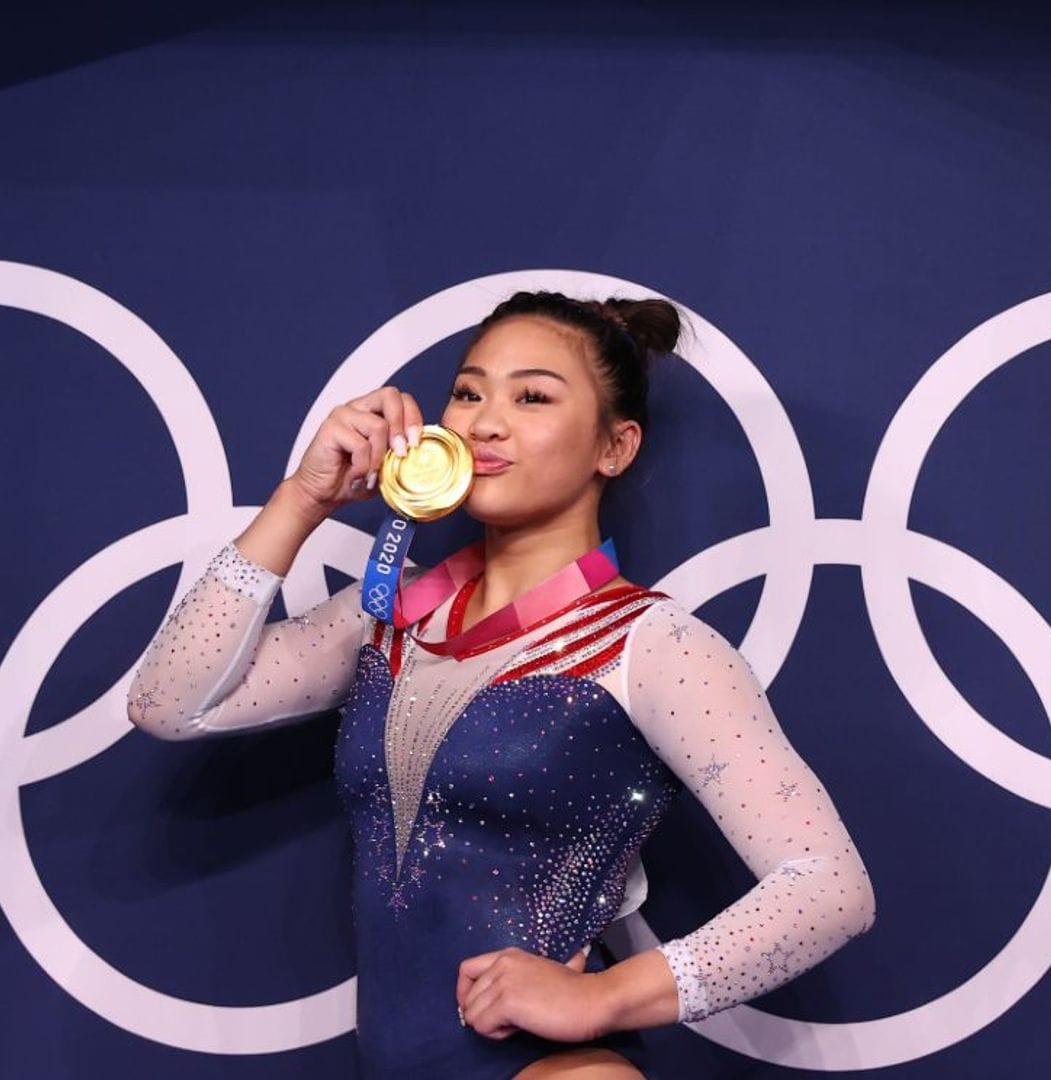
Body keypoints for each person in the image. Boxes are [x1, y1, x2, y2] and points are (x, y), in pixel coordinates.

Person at [127, 290, 876, 1079]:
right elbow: (167, 703)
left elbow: (830, 888)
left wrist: (608, 998)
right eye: (468, 391)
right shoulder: (385, 617)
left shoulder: (650, 646)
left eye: (533, 397)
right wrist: (303, 499)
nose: (484, 422)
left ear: (614, 448)